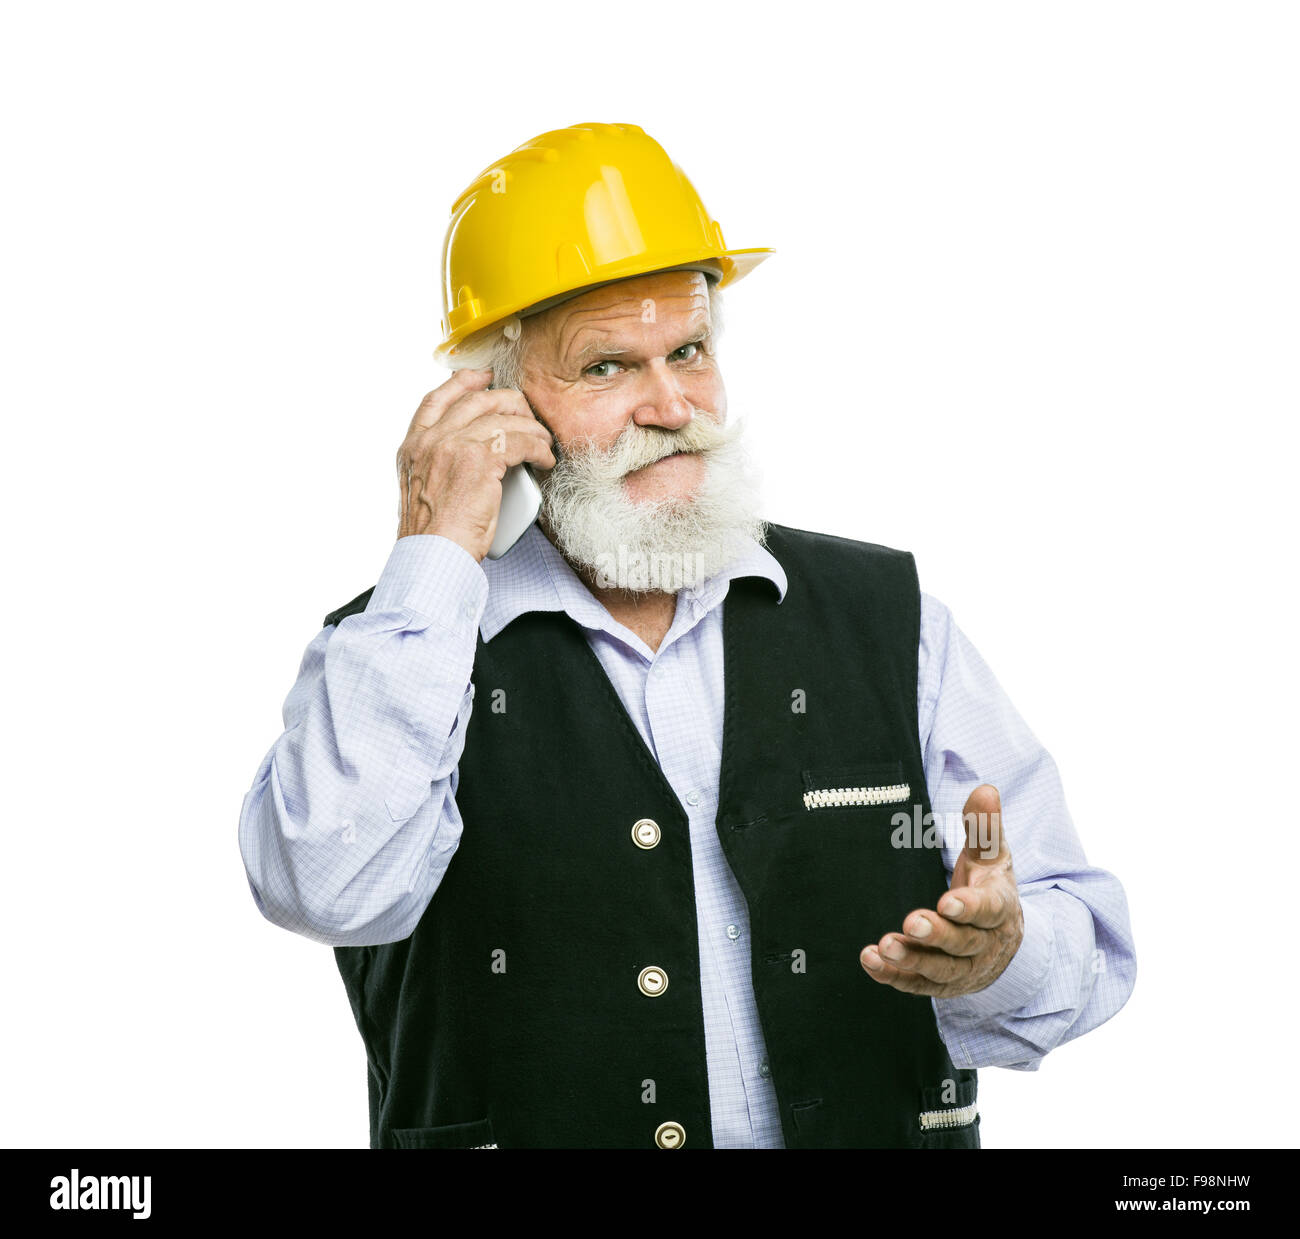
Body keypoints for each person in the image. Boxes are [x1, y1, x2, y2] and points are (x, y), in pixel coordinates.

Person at [238, 122, 1136, 1150]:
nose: (671, 405)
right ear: (499, 400)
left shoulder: (887, 619)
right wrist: (435, 547)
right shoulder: (396, 652)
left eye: (690, 351)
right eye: (607, 366)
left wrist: (1001, 953)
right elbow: (327, 887)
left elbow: (1084, 938)